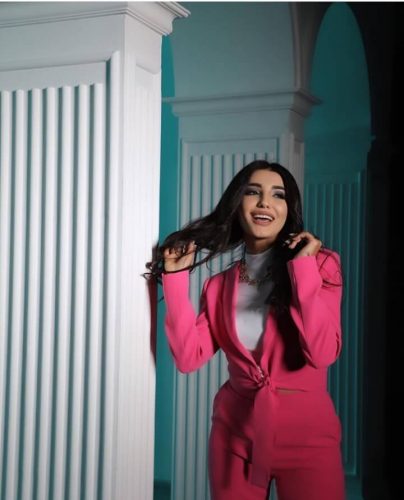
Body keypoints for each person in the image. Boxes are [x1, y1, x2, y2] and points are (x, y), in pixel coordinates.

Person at [147, 160, 345, 500]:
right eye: (253, 192)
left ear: (289, 209)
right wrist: (176, 279)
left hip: (310, 439)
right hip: (234, 435)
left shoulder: (321, 265)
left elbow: (322, 352)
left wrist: (302, 268)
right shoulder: (218, 286)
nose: (265, 202)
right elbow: (187, 358)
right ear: (238, 204)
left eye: (278, 195)